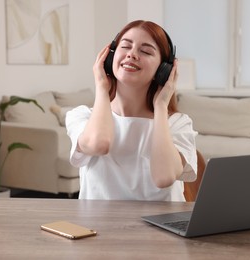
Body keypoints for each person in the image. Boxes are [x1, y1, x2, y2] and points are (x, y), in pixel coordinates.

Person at [66, 20, 197, 201]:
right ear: (110, 57)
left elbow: (164, 177)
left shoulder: (177, 124)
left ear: (163, 70)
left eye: (145, 51)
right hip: (99, 227)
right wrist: (102, 89)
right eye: (126, 47)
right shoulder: (82, 116)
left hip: (158, 227)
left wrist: (161, 106)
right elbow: (99, 144)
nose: (132, 55)